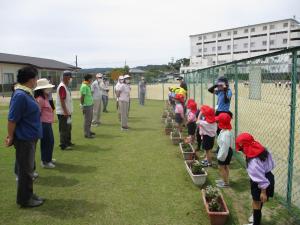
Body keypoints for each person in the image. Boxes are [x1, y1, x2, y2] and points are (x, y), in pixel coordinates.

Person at [5, 66, 44, 207]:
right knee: (25, 171)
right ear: (30, 79)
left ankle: (29, 194)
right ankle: (24, 199)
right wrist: (10, 136)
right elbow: (12, 118)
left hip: (30, 138)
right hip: (24, 139)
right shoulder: (21, 95)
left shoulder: (26, 93)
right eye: (36, 78)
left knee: (28, 169)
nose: (37, 81)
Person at [236, 133, 275, 225]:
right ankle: (255, 216)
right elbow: (272, 164)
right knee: (258, 202)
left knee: (256, 203)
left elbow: (261, 180)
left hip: (261, 182)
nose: (242, 152)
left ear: (245, 148)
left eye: (241, 149)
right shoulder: (264, 151)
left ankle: (256, 222)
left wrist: (263, 192)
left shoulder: (253, 163)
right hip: (269, 176)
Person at [34, 79, 56, 169]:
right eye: (47, 88)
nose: (49, 89)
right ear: (42, 89)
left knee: (50, 141)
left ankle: (48, 159)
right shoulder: (40, 99)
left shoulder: (45, 97)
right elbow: (37, 113)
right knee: (47, 142)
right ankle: (45, 161)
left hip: (47, 123)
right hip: (43, 124)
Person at [56, 71, 74, 150]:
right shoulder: (62, 86)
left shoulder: (65, 86)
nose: (70, 79)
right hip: (63, 112)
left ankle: (68, 142)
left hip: (67, 111)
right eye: (70, 77)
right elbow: (62, 100)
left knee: (68, 127)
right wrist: (65, 112)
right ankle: (63, 144)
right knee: (64, 128)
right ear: (65, 77)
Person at [215, 113, 233, 188]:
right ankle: (225, 179)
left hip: (225, 151)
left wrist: (221, 156)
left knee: (221, 167)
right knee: (225, 166)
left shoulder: (226, 134)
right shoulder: (226, 130)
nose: (218, 123)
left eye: (219, 121)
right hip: (226, 150)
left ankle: (225, 183)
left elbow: (225, 146)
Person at [80, 74, 95, 138]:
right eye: (91, 78)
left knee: (90, 119)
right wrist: (83, 105)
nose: (92, 80)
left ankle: (89, 131)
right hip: (87, 106)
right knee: (87, 120)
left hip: (90, 105)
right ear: (89, 79)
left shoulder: (87, 85)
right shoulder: (84, 86)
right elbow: (82, 97)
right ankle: (86, 133)